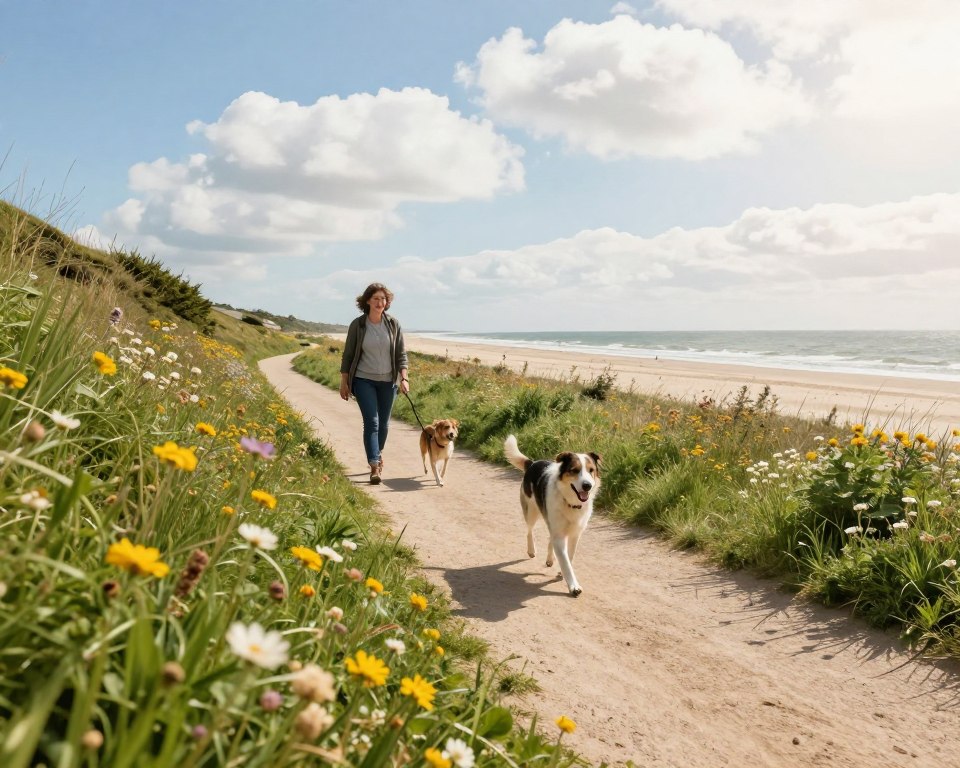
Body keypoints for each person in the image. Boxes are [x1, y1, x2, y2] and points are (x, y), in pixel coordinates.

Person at [339, 283, 410, 484]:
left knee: (384, 425)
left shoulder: (393, 324)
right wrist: (344, 382)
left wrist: (404, 378)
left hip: (388, 381)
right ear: (368, 301)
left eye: (383, 299)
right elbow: (348, 355)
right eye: (376, 298)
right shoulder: (358, 325)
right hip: (363, 380)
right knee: (372, 422)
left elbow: (401, 354)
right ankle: (374, 466)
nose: (380, 302)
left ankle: (377, 454)